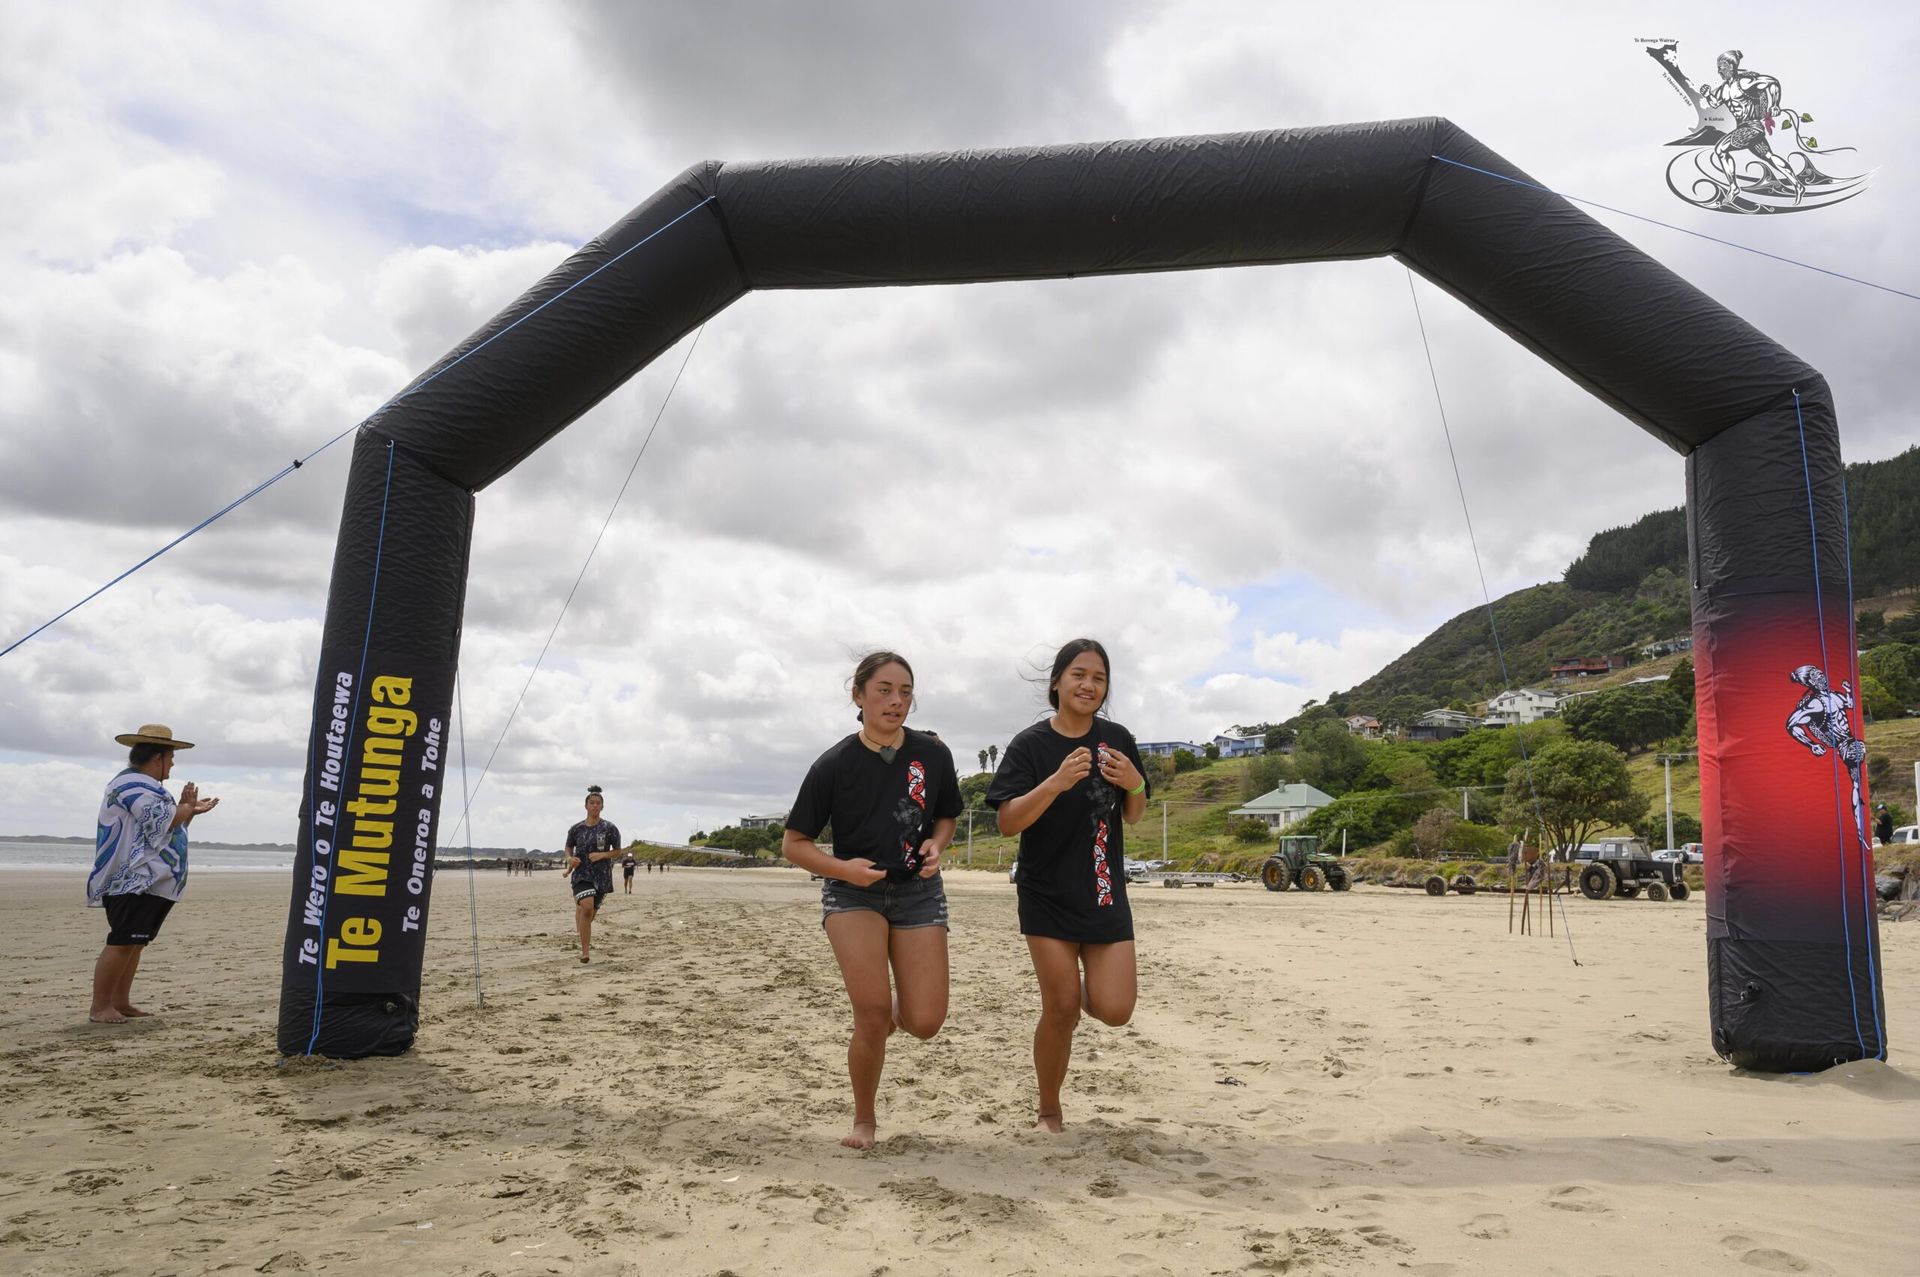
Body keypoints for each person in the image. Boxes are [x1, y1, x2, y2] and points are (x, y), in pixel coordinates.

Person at [782, 651, 959, 1149]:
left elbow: (946, 816)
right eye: (884, 690)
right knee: (872, 1015)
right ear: (858, 695)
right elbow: (794, 844)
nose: (896, 701)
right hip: (851, 894)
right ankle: (864, 1121)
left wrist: (937, 845)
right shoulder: (833, 764)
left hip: (919, 892)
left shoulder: (933, 754)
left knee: (925, 1022)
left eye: (905, 692)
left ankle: (888, 1011)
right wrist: (844, 870)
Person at [987, 639, 1149, 1132]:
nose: (1088, 685)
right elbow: (1007, 822)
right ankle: (1049, 1111)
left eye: (1099, 678)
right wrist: (1054, 783)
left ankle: (1076, 983)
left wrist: (1135, 782)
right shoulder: (1030, 745)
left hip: (1103, 889)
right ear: (1057, 682)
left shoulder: (1116, 738)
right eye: (1079, 675)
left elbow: (1134, 814)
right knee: (1060, 1008)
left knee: (1115, 1010)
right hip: (1047, 892)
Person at [86, 724, 218, 1023]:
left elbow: (165, 829)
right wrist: (185, 807)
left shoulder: (145, 786)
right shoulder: (133, 785)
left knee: (135, 943)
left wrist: (187, 810)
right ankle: (100, 1007)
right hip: (132, 880)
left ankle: (120, 1002)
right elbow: (162, 821)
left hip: (149, 881)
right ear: (158, 757)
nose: (173, 764)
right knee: (122, 942)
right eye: (171, 758)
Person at [564, 785, 623, 963]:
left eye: (598, 803)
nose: (595, 806)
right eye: (592, 803)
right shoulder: (576, 829)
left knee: (589, 914)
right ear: (586, 806)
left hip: (602, 876)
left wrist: (602, 855)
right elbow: (568, 847)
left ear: (602, 806)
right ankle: (585, 952)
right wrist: (570, 859)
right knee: (587, 907)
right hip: (581, 874)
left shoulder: (610, 828)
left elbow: (617, 851)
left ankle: (581, 922)